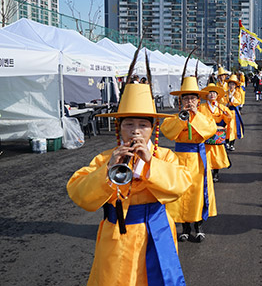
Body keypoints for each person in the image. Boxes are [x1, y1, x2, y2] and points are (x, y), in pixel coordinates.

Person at [67, 82, 191, 285]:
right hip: (116, 234)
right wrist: (108, 168)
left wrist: (151, 162)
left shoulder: (165, 156)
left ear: (152, 129)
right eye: (129, 124)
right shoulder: (104, 158)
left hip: (156, 231)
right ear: (119, 127)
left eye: (143, 125)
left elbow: (181, 185)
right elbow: (80, 193)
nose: (136, 131)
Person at [161, 76, 218, 243]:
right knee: (181, 192)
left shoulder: (204, 117)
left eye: (192, 98)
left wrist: (195, 115)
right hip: (179, 158)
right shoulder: (174, 118)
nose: (189, 101)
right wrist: (181, 119)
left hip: (198, 160)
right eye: (186, 98)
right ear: (181, 100)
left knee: (198, 192)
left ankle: (198, 226)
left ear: (198, 100)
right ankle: (184, 228)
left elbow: (210, 130)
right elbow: (169, 132)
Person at [199, 83, 233, 182]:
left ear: (217, 96)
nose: (212, 95)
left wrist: (227, 115)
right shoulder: (201, 107)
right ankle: (207, 172)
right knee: (206, 154)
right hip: (206, 133)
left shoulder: (221, 107)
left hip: (217, 135)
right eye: (210, 93)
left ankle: (216, 173)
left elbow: (228, 119)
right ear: (206, 95)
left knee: (217, 156)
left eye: (214, 93)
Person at [221, 74, 244, 151]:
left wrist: (232, 99)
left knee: (234, 128)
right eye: (230, 84)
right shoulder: (226, 93)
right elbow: (223, 102)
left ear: (235, 85)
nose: (231, 86)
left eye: (233, 84)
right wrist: (227, 103)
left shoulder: (237, 93)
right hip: (227, 112)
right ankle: (226, 142)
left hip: (234, 112)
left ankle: (232, 144)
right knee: (227, 128)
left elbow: (239, 102)